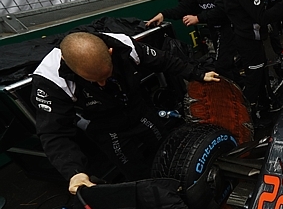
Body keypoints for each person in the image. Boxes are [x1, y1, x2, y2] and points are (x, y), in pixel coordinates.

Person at [31, 32, 220, 194]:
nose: (102, 84)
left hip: (138, 109)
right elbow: (53, 132)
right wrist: (74, 172)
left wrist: (197, 74)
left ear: (110, 52)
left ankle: (184, 183)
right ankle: (157, 198)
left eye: (106, 76)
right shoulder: (50, 80)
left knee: (165, 147)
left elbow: (163, 60)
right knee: (134, 169)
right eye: (94, 81)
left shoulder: (124, 45)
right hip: (105, 126)